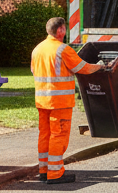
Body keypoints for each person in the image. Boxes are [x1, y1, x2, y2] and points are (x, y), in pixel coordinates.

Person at [31, 17, 104, 184]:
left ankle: (44, 170)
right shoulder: (63, 49)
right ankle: (55, 173)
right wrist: (100, 66)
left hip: (42, 100)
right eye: (65, 28)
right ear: (60, 31)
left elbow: (34, 71)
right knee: (59, 135)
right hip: (59, 101)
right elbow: (82, 68)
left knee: (45, 134)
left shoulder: (37, 49)